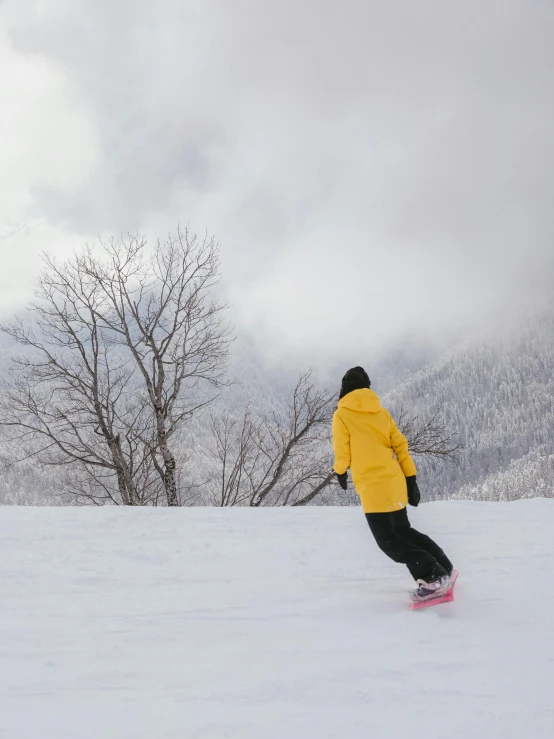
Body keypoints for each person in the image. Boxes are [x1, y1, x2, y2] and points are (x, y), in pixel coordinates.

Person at [332, 366, 453, 602]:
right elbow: (401, 446)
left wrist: (339, 472)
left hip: (373, 490)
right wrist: (410, 478)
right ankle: (444, 567)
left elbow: (342, 453)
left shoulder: (342, 415)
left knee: (389, 542)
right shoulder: (381, 412)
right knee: (404, 532)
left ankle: (433, 577)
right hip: (395, 482)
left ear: (344, 389)